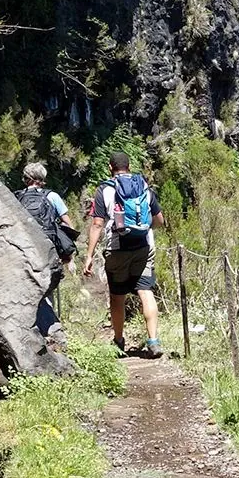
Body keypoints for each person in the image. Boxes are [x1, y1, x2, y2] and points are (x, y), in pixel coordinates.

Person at [81, 152, 163, 357]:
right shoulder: (143, 186)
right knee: (145, 290)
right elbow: (160, 220)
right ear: (129, 166)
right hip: (144, 247)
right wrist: (144, 230)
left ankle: (118, 342)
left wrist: (89, 255)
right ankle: (153, 341)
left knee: (117, 295)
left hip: (117, 248)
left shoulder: (104, 190)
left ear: (111, 167)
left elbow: (97, 224)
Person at [15, 162, 76, 341]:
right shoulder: (52, 196)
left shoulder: (17, 197)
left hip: (26, 249)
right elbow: (68, 224)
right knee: (49, 286)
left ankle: (40, 329)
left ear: (26, 178)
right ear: (43, 178)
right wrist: (69, 254)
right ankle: (53, 329)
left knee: (33, 287)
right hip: (49, 249)